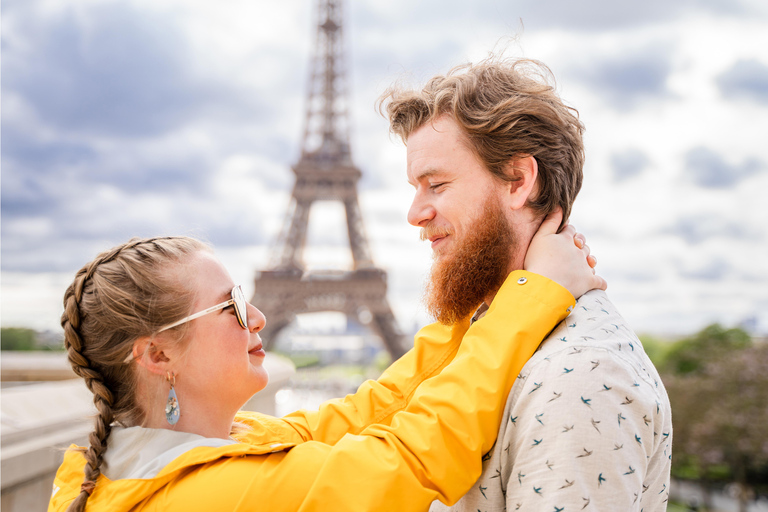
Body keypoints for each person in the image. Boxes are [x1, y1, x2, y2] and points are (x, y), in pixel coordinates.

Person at [49, 224, 602, 512]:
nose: (259, 316)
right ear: (158, 355)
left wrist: (479, 308)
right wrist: (539, 294)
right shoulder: (218, 493)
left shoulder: (121, 468)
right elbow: (413, 454)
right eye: (233, 307)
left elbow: (359, 414)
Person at [380, 57, 672, 512]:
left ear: (518, 180)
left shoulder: (583, 374)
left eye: (435, 184)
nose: (415, 213)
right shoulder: (488, 337)